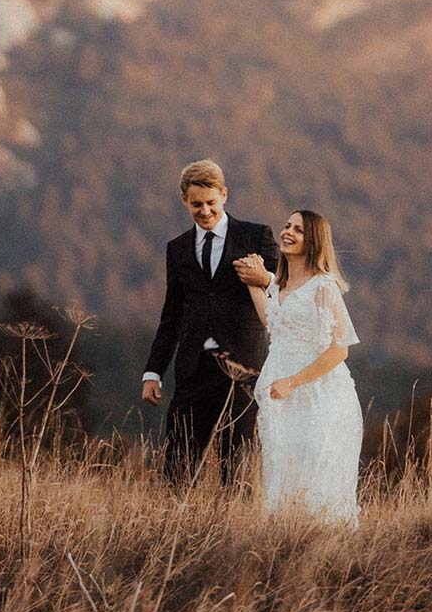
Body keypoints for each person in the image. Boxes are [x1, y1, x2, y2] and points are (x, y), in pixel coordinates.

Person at [142, 160, 279, 487]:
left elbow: (287, 289)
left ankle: (235, 520)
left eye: (211, 203)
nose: (204, 211)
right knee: (177, 464)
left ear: (224, 195)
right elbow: (171, 315)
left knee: (238, 467)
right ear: (184, 200)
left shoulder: (256, 236)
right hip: (193, 369)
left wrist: (264, 278)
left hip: (243, 369)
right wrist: (153, 372)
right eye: (196, 205)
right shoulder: (177, 249)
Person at [233, 210, 363, 525]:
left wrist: (293, 381)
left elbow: (340, 349)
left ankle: (326, 541)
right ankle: (288, 539)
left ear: (313, 241)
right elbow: (272, 321)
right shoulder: (282, 286)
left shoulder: (323, 286)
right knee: (282, 466)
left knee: (315, 466)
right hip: (282, 394)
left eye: (299, 230)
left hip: (318, 393)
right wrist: (253, 283)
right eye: (287, 226)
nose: (288, 232)